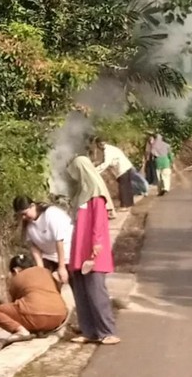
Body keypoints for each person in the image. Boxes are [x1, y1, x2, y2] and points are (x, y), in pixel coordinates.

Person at [64, 155, 121, 345]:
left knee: (97, 293)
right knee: (81, 294)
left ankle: (107, 331)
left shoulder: (96, 194)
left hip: (92, 250)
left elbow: (98, 221)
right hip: (79, 250)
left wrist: (97, 243)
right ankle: (89, 331)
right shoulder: (80, 194)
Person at [0, 254, 69, 341]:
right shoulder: (46, 271)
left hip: (35, 316)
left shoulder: (17, 278)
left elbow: (16, 305)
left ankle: (21, 331)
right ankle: (44, 329)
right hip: (59, 317)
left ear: (16, 270)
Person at [12, 196, 73, 284]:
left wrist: (61, 267)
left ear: (32, 206)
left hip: (66, 254)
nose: (23, 218)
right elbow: (33, 246)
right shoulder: (29, 225)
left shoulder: (50, 214)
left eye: (25, 213)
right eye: (21, 215)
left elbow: (59, 241)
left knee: (71, 283)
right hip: (48, 256)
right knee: (45, 283)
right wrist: (40, 267)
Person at [94, 139, 137, 210]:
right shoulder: (110, 148)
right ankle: (129, 204)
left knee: (123, 187)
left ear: (99, 144)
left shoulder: (108, 150)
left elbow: (106, 163)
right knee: (127, 186)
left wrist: (95, 171)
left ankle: (124, 206)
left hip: (122, 168)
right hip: (126, 167)